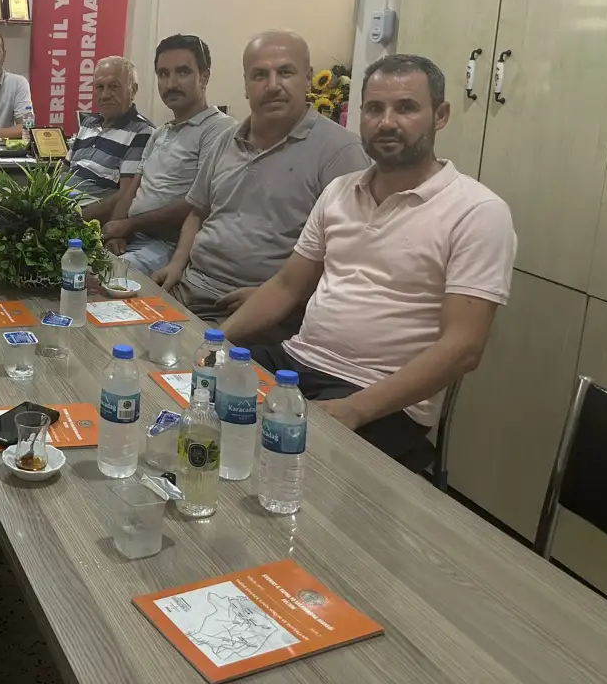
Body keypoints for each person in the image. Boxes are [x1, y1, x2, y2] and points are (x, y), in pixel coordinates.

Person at [221, 55, 516, 471]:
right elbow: (287, 286)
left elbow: (464, 347)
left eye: (406, 108)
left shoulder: (478, 212)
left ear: (441, 115)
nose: (387, 122)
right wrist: (214, 341)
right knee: (191, 396)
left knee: (274, 468)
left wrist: (354, 409)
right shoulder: (340, 192)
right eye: (375, 108)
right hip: (294, 364)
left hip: (379, 398)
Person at [153, 31, 367, 334]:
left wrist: (279, 297)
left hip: (262, 311)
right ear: (246, 86)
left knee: (179, 359)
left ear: (308, 79)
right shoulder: (227, 140)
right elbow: (197, 213)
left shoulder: (340, 152)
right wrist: (176, 264)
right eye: (259, 75)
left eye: (285, 72)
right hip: (189, 287)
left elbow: (351, 257)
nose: (273, 85)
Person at [100, 35, 233, 275]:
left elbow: (201, 204)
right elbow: (133, 189)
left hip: (170, 245)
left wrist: (128, 225)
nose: (171, 83)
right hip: (133, 237)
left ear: (204, 77)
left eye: (182, 72)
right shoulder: (160, 132)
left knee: (99, 277)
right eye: (163, 74)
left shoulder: (219, 129)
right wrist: (115, 232)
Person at [64, 56, 154, 222]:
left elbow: (126, 196)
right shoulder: (88, 124)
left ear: (133, 90)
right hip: (59, 208)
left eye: (114, 87)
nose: (104, 95)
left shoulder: (142, 132)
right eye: (99, 87)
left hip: (83, 220)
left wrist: (73, 218)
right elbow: (64, 170)